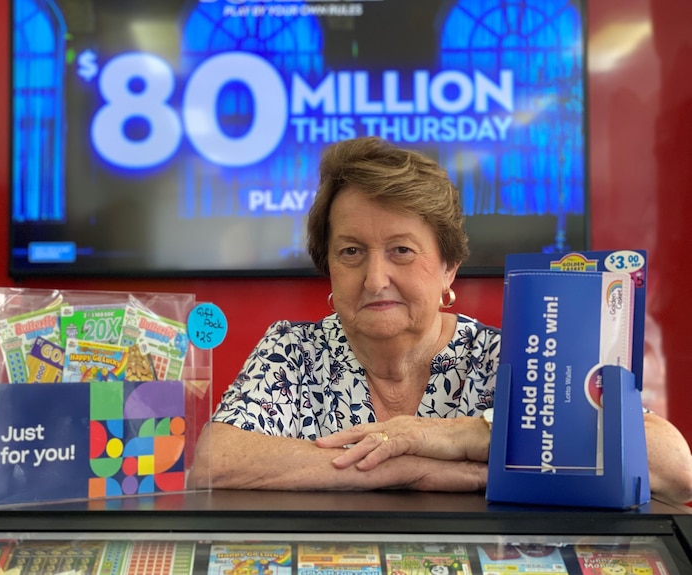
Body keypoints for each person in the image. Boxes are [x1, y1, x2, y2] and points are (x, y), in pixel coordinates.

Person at [188, 136, 692, 504]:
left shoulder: (511, 357)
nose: (375, 277)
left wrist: (464, 437)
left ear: (448, 266)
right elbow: (214, 461)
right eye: (351, 252)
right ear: (329, 268)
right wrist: (405, 467)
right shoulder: (292, 352)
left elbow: (673, 465)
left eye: (402, 251)